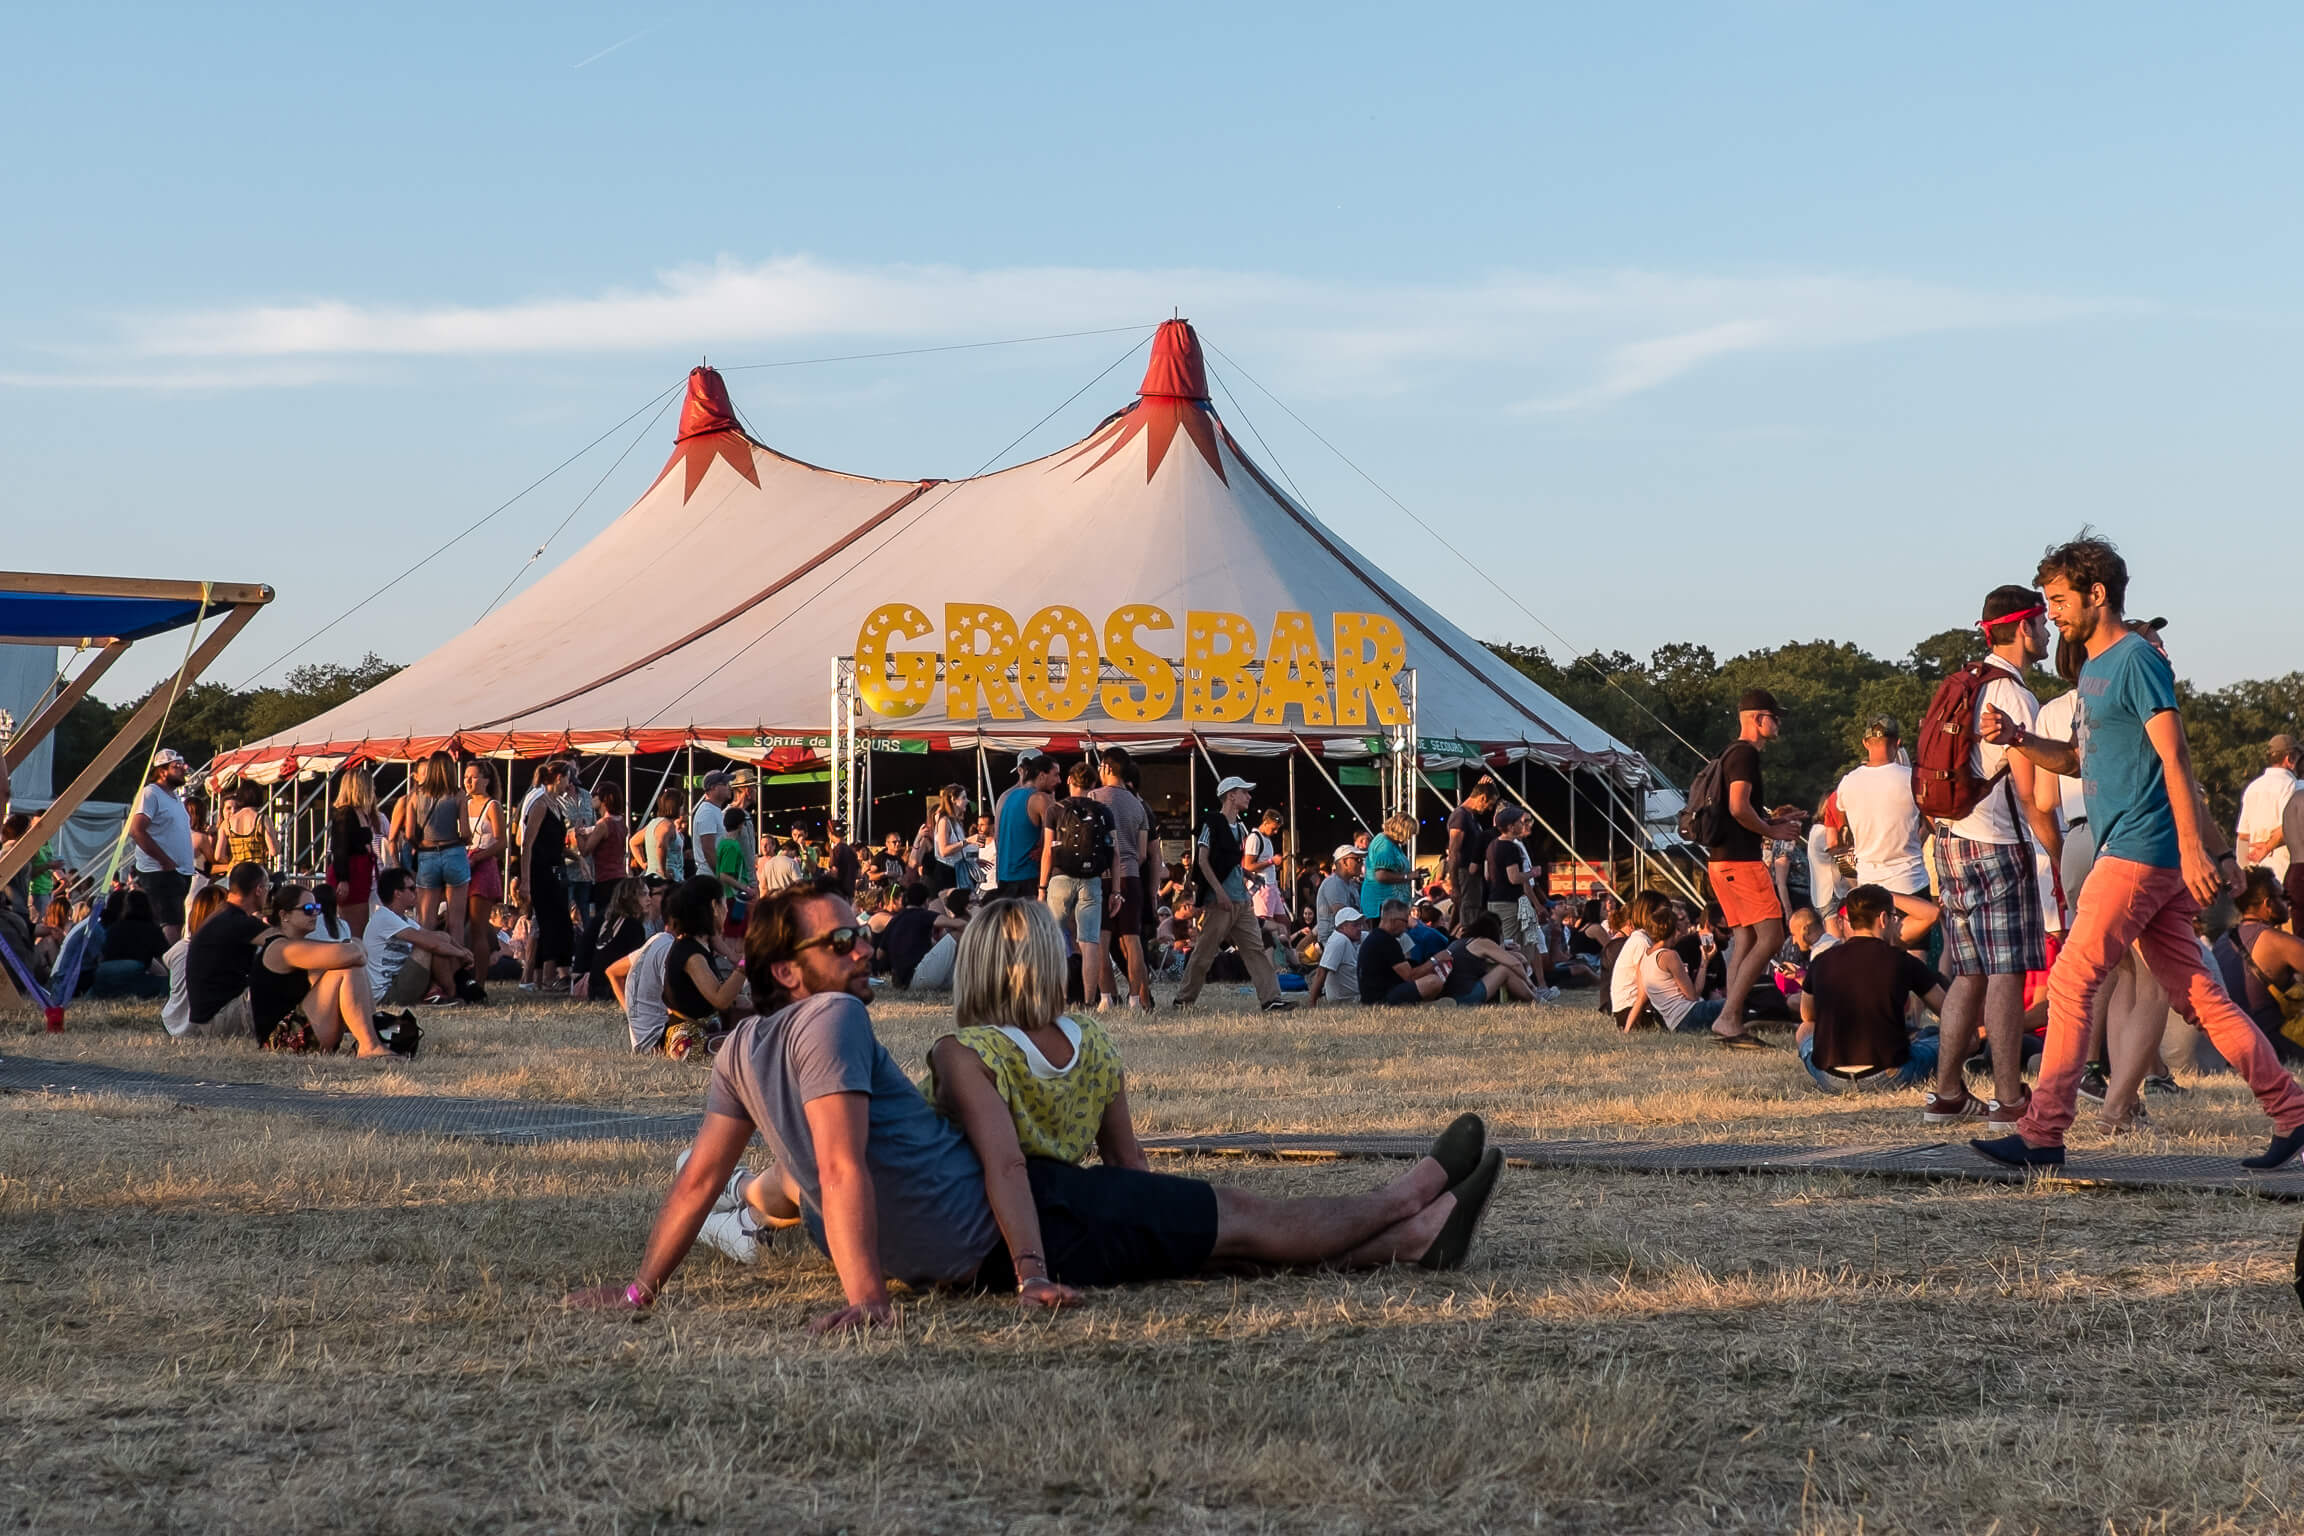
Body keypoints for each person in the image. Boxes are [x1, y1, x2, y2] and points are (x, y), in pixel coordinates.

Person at [566, 888, 1502, 1324]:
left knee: (1219, 1245)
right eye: (843, 940)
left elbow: (704, 1181)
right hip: (1025, 1222)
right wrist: (866, 1298)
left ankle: (1414, 1228)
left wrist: (645, 1287)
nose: (862, 952)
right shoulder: (833, 1018)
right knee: (1240, 1226)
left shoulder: (741, 1045)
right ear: (788, 971)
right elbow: (833, 1169)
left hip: (990, 1249)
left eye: (858, 935)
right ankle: (1409, 1203)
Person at [1974, 534, 2304, 1169]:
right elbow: (2076, 759)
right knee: (2202, 997)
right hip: (2130, 849)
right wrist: (2020, 737)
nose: (2053, 613)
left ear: (2098, 595)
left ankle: (2043, 1133)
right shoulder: (2092, 670)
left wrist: (2195, 849)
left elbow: (2174, 756)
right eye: (2048, 601)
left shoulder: (2136, 659)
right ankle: (2292, 1110)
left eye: (2060, 599)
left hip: (2139, 851)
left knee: (2072, 979)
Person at [1919, 588, 2063, 1130]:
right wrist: (2054, 848)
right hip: (1999, 843)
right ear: (2023, 628)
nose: (2047, 634)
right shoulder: (2015, 696)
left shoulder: (1964, 684)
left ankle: (1948, 1093)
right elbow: (2028, 792)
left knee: (1968, 973)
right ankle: (2008, 1099)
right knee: (2006, 972)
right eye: (2042, 624)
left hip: (1952, 838)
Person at [1701, 691, 1799, 1046]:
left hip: (1721, 861)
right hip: (1741, 862)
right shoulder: (1745, 755)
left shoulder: (1729, 752)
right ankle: (1728, 1017)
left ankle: (1732, 1016)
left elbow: (1736, 812)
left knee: (1745, 937)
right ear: (1757, 719)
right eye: (1774, 717)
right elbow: (1739, 807)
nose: (1778, 723)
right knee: (1771, 937)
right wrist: (1772, 830)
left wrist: (1774, 818)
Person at [1797, 884, 1946, 1094]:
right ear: (1884, 918)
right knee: (1938, 1036)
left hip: (1831, 1078)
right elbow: (1947, 1011)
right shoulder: (1902, 961)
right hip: (1888, 1074)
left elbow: (1807, 1015)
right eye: (1895, 918)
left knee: (1804, 1030)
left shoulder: (1821, 960)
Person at [243, 881, 406, 1056]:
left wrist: (354, 949)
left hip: (299, 1028)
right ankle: (370, 1045)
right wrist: (354, 949)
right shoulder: (282, 948)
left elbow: (353, 952)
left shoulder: (298, 944)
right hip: (281, 1041)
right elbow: (354, 953)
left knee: (345, 966)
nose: (315, 914)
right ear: (284, 915)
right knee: (348, 968)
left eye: (317, 908)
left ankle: (371, 1039)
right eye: (307, 909)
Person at [1172, 776, 1292, 1012]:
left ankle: (1271, 999)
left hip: (1239, 899)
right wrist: (1219, 892)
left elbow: (1233, 864)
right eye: (1244, 792)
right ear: (1230, 795)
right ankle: (1184, 999)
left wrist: (1248, 877)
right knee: (1205, 952)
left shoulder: (1241, 827)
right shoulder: (1212, 824)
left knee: (1255, 949)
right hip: (1220, 902)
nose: (1249, 796)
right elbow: (1203, 862)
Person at [1832, 718, 1940, 951]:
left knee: (1873, 962)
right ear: (1897, 742)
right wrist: (1916, 839)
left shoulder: (1848, 783)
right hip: (1910, 881)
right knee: (1914, 966)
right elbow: (1932, 824)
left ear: (1865, 743)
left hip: (1868, 885)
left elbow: (1843, 824)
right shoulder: (1912, 778)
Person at [1088, 750, 1154, 1012]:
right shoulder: (1139, 805)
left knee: (1101, 940)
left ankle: (1106, 997)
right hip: (1131, 876)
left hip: (1101, 876)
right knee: (1132, 939)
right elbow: (1142, 853)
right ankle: (1136, 999)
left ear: (1105, 767)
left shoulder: (1093, 798)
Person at [2218, 869, 2304, 1065]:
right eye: (2284, 897)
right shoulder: (2275, 941)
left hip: (2232, 1048)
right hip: (2273, 1046)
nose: (2290, 903)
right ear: (2268, 904)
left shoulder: (2223, 941)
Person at [657, 874, 748, 1059]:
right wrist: (746, 963)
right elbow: (720, 999)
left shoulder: (699, 945)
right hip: (689, 1041)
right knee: (755, 1041)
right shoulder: (691, 954)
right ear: (714, 907)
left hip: (706, 1032)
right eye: (724, 904)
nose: (727, 911)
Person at [396, 751, 472, 955]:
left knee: (426, 921)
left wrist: (420, 843)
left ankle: (425, 968)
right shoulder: (458, 794)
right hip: (454, 852)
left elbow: (409, 832)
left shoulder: (415, 795)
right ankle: (457, 970)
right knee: (456, 921)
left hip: (427, 854)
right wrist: (465, 839)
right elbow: (465, 832)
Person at [365, 867, 474, 1009]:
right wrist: (461, 954)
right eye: (411, 888)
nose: (416, 892)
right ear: (397, 893)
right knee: (427, 948)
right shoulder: (384, 917)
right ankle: (451, 993)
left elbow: (440, 937)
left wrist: (462, 950)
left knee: (438, 939)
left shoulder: (402, 919)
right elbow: (432, 944)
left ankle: (441, 992)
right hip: (388, 995)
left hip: (401, 981)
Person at [183, 862, 271, 1037]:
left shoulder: (222, 916)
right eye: (269, 887)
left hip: (208, 1018)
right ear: (259, 889)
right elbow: (287, 948)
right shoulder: (238, 922)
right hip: (221, 1019)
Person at [127, 748, 198, 942]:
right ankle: (168, 967)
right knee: (170, 923)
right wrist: (165, 861)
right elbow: (137, 830)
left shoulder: (174, 798)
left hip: (179, 872)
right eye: (177, 766)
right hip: (161, 872)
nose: (183, 769)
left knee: (177, 921)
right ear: (162, 771)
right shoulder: (151, 793)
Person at [1630, 898, 1727, 1035]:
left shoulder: (1645, 957)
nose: (1683, 929)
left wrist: (1627, 1030)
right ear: (1672, 929)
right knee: (1737, 1003)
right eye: (1679, 925)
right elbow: (1693, 996)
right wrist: (1704, 963)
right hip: (1689, 1014)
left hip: (1674, 1023)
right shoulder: (1670, 956)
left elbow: (1641, 997)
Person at [518, 761, 575, 992]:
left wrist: (577, 858)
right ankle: (546, 976)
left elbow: (556, 844)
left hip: (556, 870)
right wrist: (525, 880)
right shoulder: (539, 804)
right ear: (559, 778)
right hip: (541, 872)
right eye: (568, 779)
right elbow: (527, 844)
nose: (569, 785)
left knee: (558, 923)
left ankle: (541, 977)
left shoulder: (556, 805)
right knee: (549, 923)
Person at [606, 895, 676, 1054]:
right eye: (644, 894)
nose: (649, 899)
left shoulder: (656, 941)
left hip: (645, 1039)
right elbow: (675, 1004)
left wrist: (631, 1012)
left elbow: (612, 971)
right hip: (659, 1039)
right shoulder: (667, 946)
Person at [327, 766, 389, 939]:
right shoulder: (346, 814)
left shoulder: (361, 813)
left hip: (361, 872)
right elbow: (339, 847)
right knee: (355, 927)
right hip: (352, 872)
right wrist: (343, 879)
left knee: (361, 923)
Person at [994, 751, 1063, 899]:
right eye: (1055, 775)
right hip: (1029, 879)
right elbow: (1056, 840)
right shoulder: (1040, 799)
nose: (1059, 781)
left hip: (1006, 878)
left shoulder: (1008, 797)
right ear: (1042, 775)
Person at [462, 760, 505, 990]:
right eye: (466, 777)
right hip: (463, 865)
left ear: (486, 780)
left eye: (474, 777)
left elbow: (502, 841)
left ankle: (479, 981)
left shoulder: (492, 806)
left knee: (479, 927)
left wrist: (478, 856)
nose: (468, 781)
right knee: (458, 923)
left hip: (482, 866)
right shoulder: (463, 804)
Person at [162, 886, 227, 1037]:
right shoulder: (224, 949)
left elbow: (167, 962)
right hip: (206, 1026)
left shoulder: (179, 949)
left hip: (172, 1023)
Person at [1356, 899, 1447, 1006]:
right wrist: (1436, 959)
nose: (1406, 927)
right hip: (1381, 998)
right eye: (1405, 921)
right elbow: (1410, 976)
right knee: (1433, 982)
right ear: (1395, 921)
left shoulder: (1378, 937)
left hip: (1375, 995)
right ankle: (1425, 1005)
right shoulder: (1385, 941)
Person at [1442, 910, 1540, 1006]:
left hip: (1452, 995)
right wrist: (1530, 983)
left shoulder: (1461, 943)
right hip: (1466, 996)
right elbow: (1514, 963)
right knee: (1505, 969)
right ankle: (1536, 1000)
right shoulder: (1482, 942)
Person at [2237, 735, 2298, 883]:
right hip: (2288, 872)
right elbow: (2292, 827)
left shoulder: (2253, 787)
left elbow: (2243, 836)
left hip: (2259, 877)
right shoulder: (2295, 787)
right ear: (2290, 758)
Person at [1441, 778, 1500, 930]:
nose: (1489, 809)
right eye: (1490, 804)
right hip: (1465, 873)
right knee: (1469, 914)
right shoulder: (1460, 816)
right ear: (1482, 798)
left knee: (1469, 911)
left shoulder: (1469, 816)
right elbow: (1453, 853)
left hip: (1471, 874)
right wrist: (1454, 885)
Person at [91, 889, 170, 998]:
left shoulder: (114, 928)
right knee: (166, 984)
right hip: (132, 978)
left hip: (104, 980)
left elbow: (102, 955)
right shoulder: (151, 930)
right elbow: (167, 958)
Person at [1608, 890, 1666, 1030]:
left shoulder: (1641, 938)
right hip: (1631, 1011)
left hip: (1633, 1008)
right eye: (1664, 913)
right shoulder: (1641, 942)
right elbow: (1645, 988)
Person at [1360, 813, 1417, 925]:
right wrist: (1407, 876)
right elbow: (1381, 875)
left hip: (1390, 905)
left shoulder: (1392, 844)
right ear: (1401, 830)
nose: (1409, 837)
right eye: (1409, 833)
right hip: (1381, 906)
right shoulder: (1384, 844)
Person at [880, 882, 940, 988]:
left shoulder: (895, 920)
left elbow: (879, 953)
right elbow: (957, 924)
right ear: (926, 901)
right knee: (955, 935)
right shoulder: (925, 915)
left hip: (899, 978)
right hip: (917, 975)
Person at [1306, 905, 1366, 1007]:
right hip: (1347, 1001)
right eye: (1355, 925)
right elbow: (1321, 972)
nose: (1360, 928)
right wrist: (1312, 1004)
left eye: (1360, 925)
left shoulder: (1356, 938)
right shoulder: (1338, 940)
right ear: (1342, 927)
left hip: (1356, 997)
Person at [632, 788, 686, 884]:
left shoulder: (654, 823)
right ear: (676, 806)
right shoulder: (667, 826)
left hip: (653, 875)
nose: (683, 808)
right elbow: (661, 846)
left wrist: (643, 864)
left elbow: (633, 842)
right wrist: (663, 872)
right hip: (667, 881)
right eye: (681, 805)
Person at [690, 770, 735, 886]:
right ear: (714, 787)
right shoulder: (707, 812)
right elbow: (708, 849)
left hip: (712, 878)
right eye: (725, 784)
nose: (729, 787)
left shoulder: (714, 810)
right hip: (709, 880)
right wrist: (722, 876)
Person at [1315, 844, 1364, 946]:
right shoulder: (1333, 883)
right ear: (1344, 862)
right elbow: (1343, 919)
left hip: (1348, 938)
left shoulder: (1351, 885)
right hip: (1333, 940)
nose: (1361, 863)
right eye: (1357, 860)